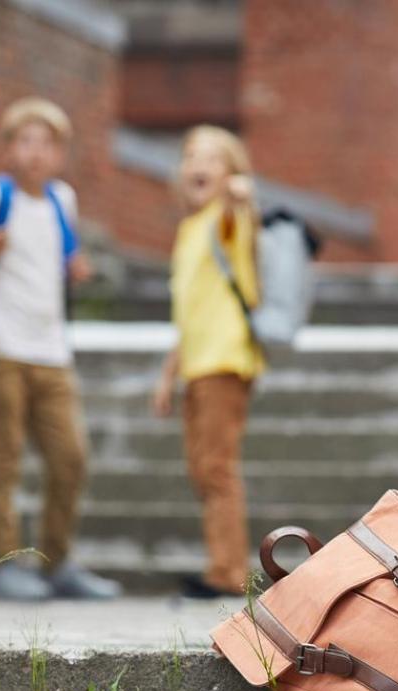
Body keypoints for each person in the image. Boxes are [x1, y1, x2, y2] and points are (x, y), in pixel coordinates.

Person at [0, 97, 121, 601]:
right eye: (25, 141)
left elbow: (61, 252)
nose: (36, 153)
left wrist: (75, 266)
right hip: (2, 350)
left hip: (53, 352)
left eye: (47, 143)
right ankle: (4, 562)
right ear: (9, 148)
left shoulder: (63, 199)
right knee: (4, 458)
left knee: (71, 457)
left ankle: (57, 561)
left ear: (59, 154)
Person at [152, 125, 262, 599]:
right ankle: (222, 563)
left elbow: (242, 211)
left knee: (216, 467)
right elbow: (188, 311)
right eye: (191, 155)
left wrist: (240, 194)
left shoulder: (225, 219)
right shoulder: (189, 228)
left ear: (230, 172)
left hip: (225, 358)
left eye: (213, 159)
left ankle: (228, 572)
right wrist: (168, 374)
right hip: (196, 363)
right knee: (201, 468)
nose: (199, 165)